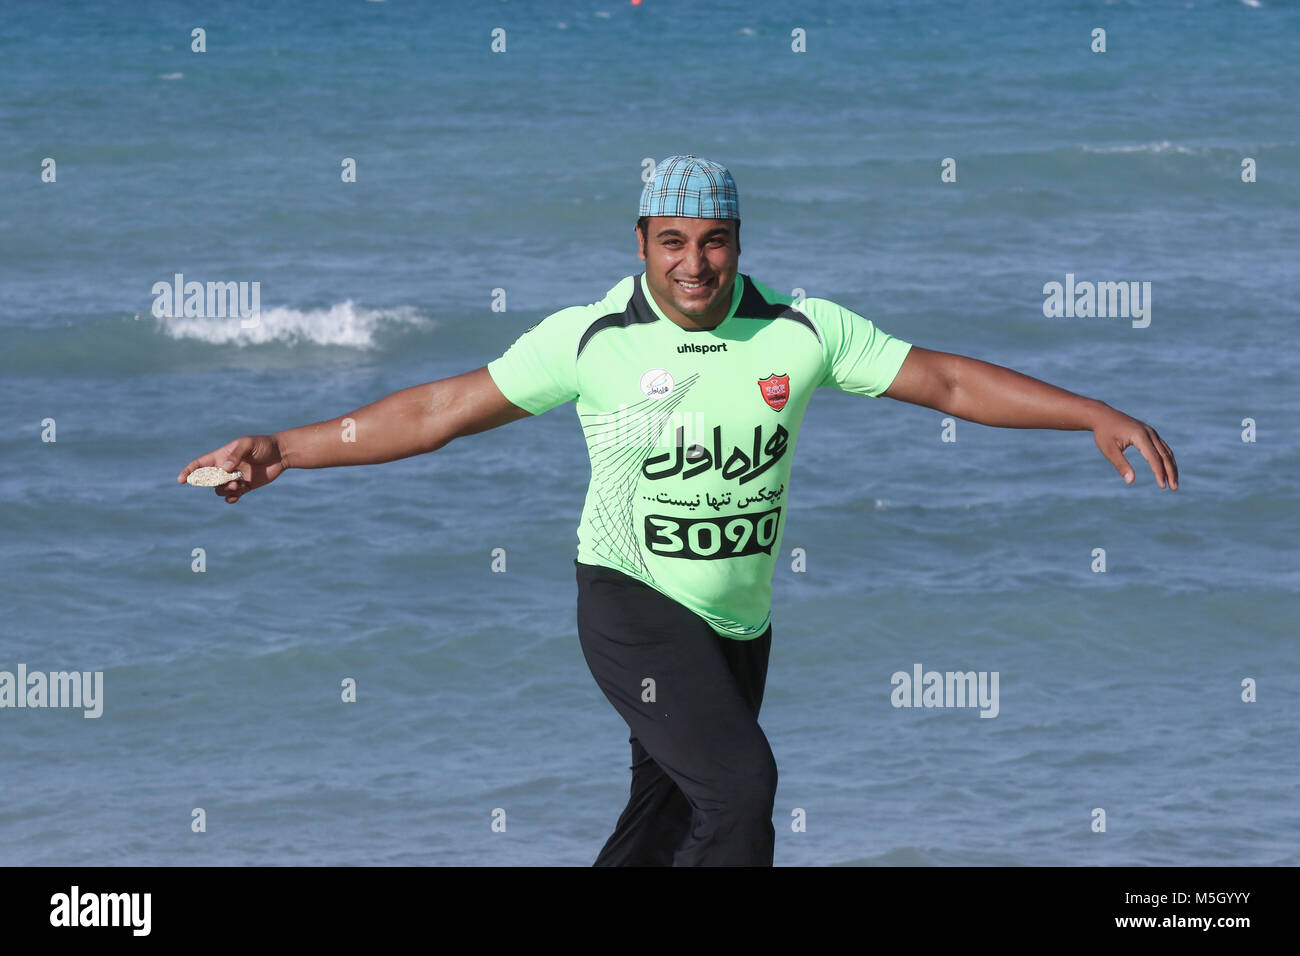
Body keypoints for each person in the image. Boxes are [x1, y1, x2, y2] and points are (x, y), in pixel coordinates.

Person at [178, 154, 1179, 867]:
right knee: (740, 790)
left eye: (712, 241)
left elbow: (950, 384)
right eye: (671, 243)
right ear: (641, 244)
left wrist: (1085, 411)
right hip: (629, 600)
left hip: (737, 618)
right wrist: (283, 448)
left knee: (663, 817)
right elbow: (438, 409)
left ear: (738, 241)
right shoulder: (593, 337)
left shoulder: (800, 329)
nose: (693, 264)